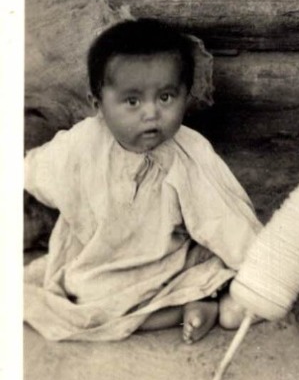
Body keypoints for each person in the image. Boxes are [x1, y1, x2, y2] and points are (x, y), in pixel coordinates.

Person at [24, 18, 261, 344]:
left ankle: (193, 298)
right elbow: (37, 170)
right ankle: (186, 308)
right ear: (99, 105)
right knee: (85, 300)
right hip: (100, 267)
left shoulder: (188, 153)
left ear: (186, 97)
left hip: (170, 260)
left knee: (210, 266)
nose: (151, 113)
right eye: (132, 101)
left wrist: (263, 270)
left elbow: (224, 218)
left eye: (165, 98)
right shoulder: (81, 144)